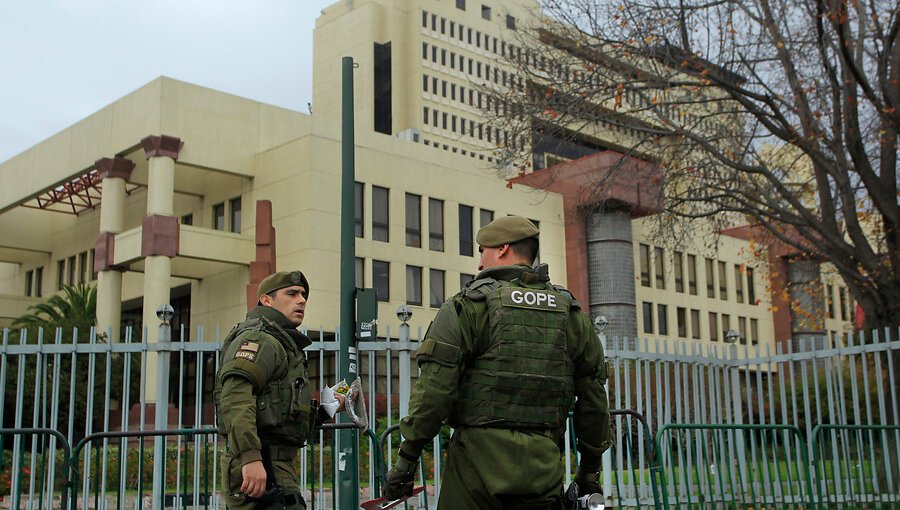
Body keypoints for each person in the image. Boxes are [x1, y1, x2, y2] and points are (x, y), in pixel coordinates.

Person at [385, 216, 612, 509]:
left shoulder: (467, 306)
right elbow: (594, 399)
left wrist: (407, 460)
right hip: (542, 472)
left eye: (482, 251)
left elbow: (434, 391)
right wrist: (589, 473)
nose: (480, 263)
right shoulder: (571, 315)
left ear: (503, 248)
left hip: (475, 472)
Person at [215, 270, 342, 510]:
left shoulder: (282, 342)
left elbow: (283, 418)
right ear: (266, 300)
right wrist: (250, 457)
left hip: (276, 469)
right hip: (261, 466)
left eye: (303, 295)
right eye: (292, 293)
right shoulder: (260, 338)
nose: (301, 300)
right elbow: (234, 398)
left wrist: (327, 408)